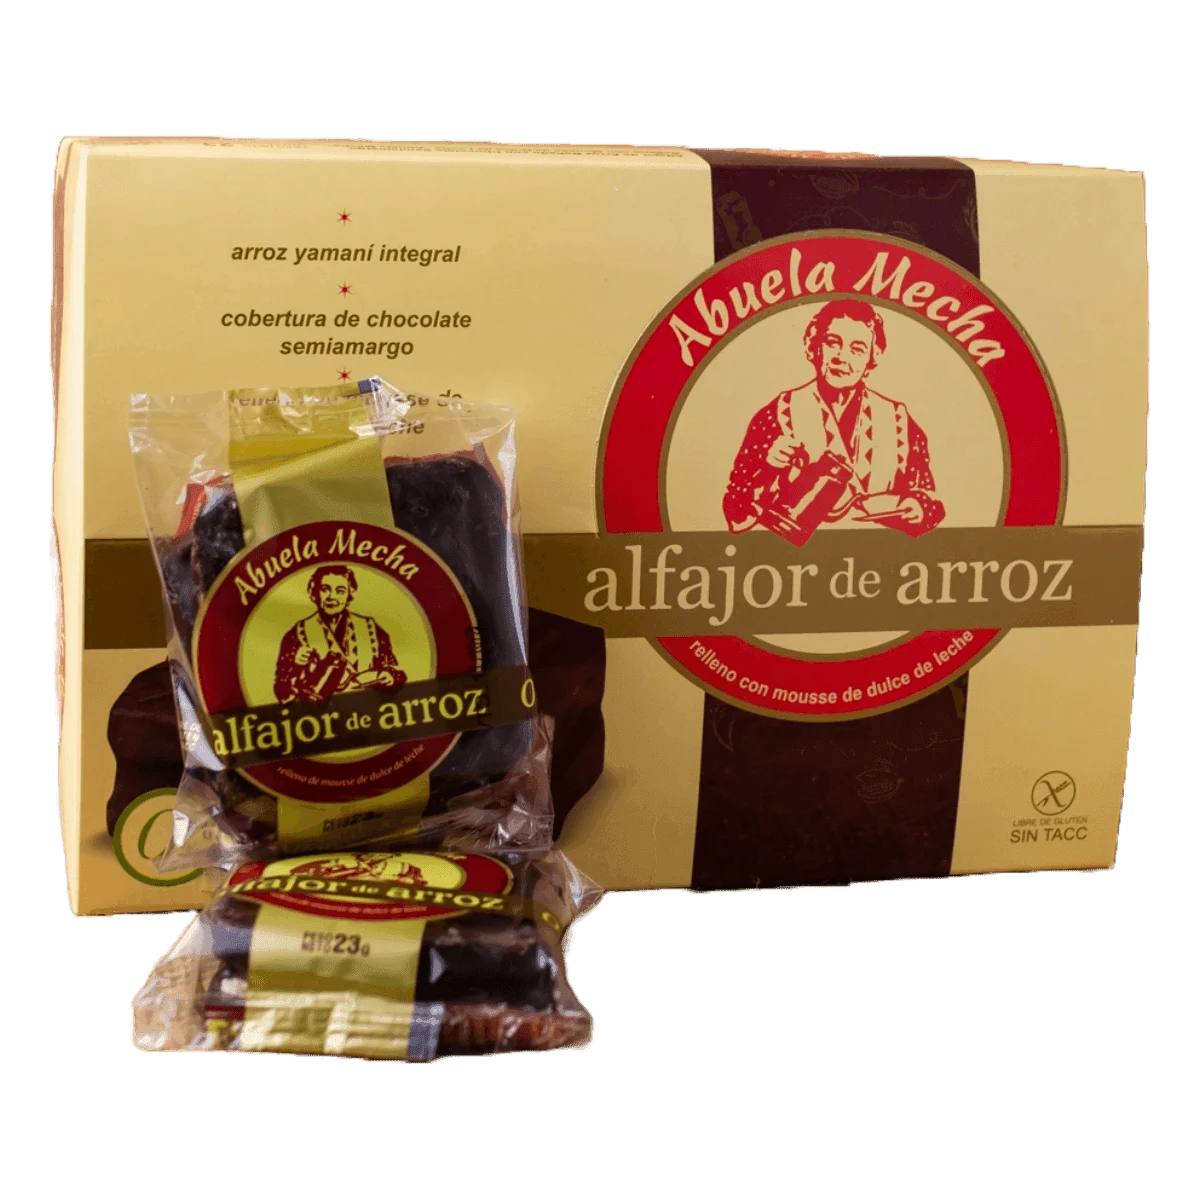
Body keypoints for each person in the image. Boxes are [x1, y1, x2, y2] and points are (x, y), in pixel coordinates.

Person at [723, 299, 945, 543]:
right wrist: (767, 468)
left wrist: (918, 507)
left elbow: (930, 501)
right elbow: (735, 516)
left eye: (857, 349)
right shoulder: (778, 414)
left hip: (880, 558)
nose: (841, 357)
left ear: (872, 357)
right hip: (796, 559)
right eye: (832, 342)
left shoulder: (898, 419)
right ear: (814, 346)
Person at [273, 564, 405, 703]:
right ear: (314, 593)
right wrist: (294, 664)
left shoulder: (370, 628)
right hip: (320, 714)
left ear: (350, 594)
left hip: (368, 710)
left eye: (340, 591)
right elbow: (282, 692)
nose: (332, 597)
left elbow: (396, 672)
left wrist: (390, 677)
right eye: (325, 589)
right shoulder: (298, 634)